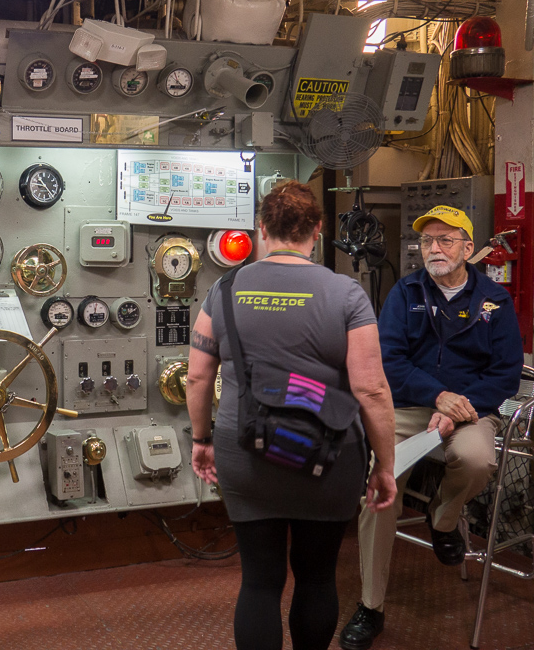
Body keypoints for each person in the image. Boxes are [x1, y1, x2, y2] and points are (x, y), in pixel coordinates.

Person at [186, 180, 397, 650]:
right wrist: (385, 465)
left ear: (262, 229)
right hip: (329, 455)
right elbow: (371, 388)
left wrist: (201, 440)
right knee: (317, 577)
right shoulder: (346, 294)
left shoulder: (224, 289)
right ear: (318, 231)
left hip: (245, 450)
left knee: (259, 581)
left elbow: (198, 377)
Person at [339, 205, 523, 650]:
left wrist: (460, 405)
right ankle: (371, 604)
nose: (434, 249)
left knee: (477, 458)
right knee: (381, 488)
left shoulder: (495, 302)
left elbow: (506, 373)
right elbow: (389, 359)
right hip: (409, 408)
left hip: (471, 408)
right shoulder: (406, 292)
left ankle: (444, 518)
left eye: (445, 240)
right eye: (426, 241)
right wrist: (436, 397)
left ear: (467, 247)